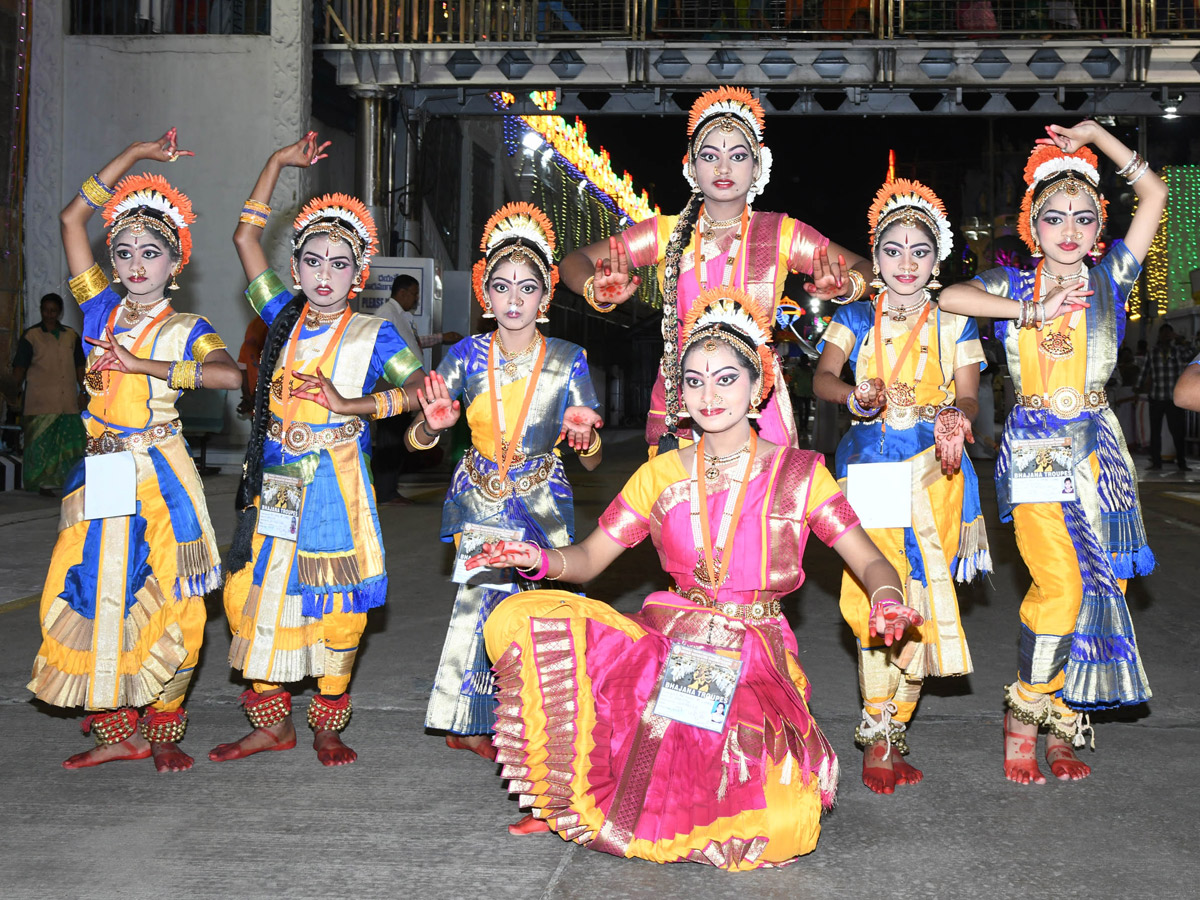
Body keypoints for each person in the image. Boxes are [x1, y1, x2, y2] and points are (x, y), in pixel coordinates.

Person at [467, 288, 923, 868]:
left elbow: (870, 560)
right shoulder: (660, 474)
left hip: (755, 656)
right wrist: (536, 559)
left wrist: (886, 596)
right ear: (678, 391)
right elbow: (585, 561)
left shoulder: (801, 475)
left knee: (786, 828)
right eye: (695, 379)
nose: (709, 394)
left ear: (759, 386)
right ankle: (574, 797)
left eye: (726, 378)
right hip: (670, 644)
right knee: (516, 617)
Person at [939, 121, 1166, 784]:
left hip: (1101, 453)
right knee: (1061, 586)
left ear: (1100, 231)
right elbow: (947, 296)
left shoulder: (1112, 280)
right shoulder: (1010, 288)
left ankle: (1064, 718)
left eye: (1084, 218)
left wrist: (1100, 135)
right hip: (1037, 451)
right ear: (1032, 228)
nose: (1069, 230)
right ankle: (1024, 711)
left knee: (1107, 587)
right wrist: (1032, 315)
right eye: (1054, 218)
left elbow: (1152, 196)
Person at [26, 129, 241, 771]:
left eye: (151, 253)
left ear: (175, 263)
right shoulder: (96, 312)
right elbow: (71, 217)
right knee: (90, 592)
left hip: (161, 471)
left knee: (175, 603)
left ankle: (165, 731)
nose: (136, 264)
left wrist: (145, 363)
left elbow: (230, 376)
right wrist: (136, 157)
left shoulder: (186, 328)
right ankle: (117, 730)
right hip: (103, 470)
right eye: (124, 252)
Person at [211, 132, 425, 767]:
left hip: (337, 478)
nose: (325, 274)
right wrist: (276, 164)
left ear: (359, 273)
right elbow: (245, 240)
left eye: (339, 263)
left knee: (336, 606)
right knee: (259, 593)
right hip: (277, 477)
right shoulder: (280, 314)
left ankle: (328, 720)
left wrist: (352, 406)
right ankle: (271, 722)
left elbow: (418, 391)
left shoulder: (376, 334)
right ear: (297, 267)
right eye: (313, 260)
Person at [557, 86, 870, 454]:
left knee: (759, 508)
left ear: (757, 167)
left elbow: (865, 267)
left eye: (738, 156)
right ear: (691, 165)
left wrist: (849, 285)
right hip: (682, 403)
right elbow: (572, 263)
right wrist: (596, 287)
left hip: (759, 403)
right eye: (710, 155)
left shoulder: (782, 233)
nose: (724, 168)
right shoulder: (665, 232)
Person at [813, 179, 990, 794]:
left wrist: (956, 415)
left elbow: (968, 392)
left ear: (937, 259)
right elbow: (823, 380)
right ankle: (877, 734)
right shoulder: (853, 316)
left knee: (924, 597)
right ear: (876, 254)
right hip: (871, 467)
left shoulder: (954, 320)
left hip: (933, 472)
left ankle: (895, 725)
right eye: (893, 250)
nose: (906, 263)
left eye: (920, 251)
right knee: (875, 601)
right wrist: (853, 396)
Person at [413, 203, 603, 759]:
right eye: (501, 286)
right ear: (484, 294)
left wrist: (584, 439)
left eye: (528, 287)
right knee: (479, 604)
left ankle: (545, 717)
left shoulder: (569, 359)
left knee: (549, 603)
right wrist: (429, 426)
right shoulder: (464, 356)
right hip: (480, 493)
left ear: (546, 297)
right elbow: (415, 443)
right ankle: (465, 721)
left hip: (544, 495)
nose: (514, 299)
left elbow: (590, 461)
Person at [369, 275, 463, 504]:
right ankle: (385, 492)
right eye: (414, 293)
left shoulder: (403, 317)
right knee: (389, 438)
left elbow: (413, 343)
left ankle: (389, 489)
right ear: (402, 293)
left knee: (398, 435)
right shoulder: (385, 315)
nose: (416, 298)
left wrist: (441, 337)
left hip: (407, 387)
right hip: (392, 386)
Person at [12, 293, 87, 494]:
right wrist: (13, 390)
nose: (49, 314)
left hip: (68, 402)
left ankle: (65, 483)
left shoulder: (71, 336)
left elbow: (80, 367)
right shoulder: (31, 336)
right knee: (39, 447)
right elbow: (19, 367)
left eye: (53, 311)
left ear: (59, 312)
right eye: (46, 310)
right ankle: (37, 486)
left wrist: (84, 392)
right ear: (41, 310)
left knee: (69, 446)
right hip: (40, 403)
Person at [1138, 322, 1191, 471]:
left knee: (1178, 432)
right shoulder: (1153, 352)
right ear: (1159, 335)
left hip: (1174, 398)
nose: (1166, 335)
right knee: (1155, 432)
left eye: (1169, 333)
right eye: (1164, 333)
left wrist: (1180, 339)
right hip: (1156, 397)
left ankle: (1182, 462)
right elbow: (1145, 370)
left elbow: (1193, 351)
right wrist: (1138, 386)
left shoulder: (1178, 351)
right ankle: (1156, 462)